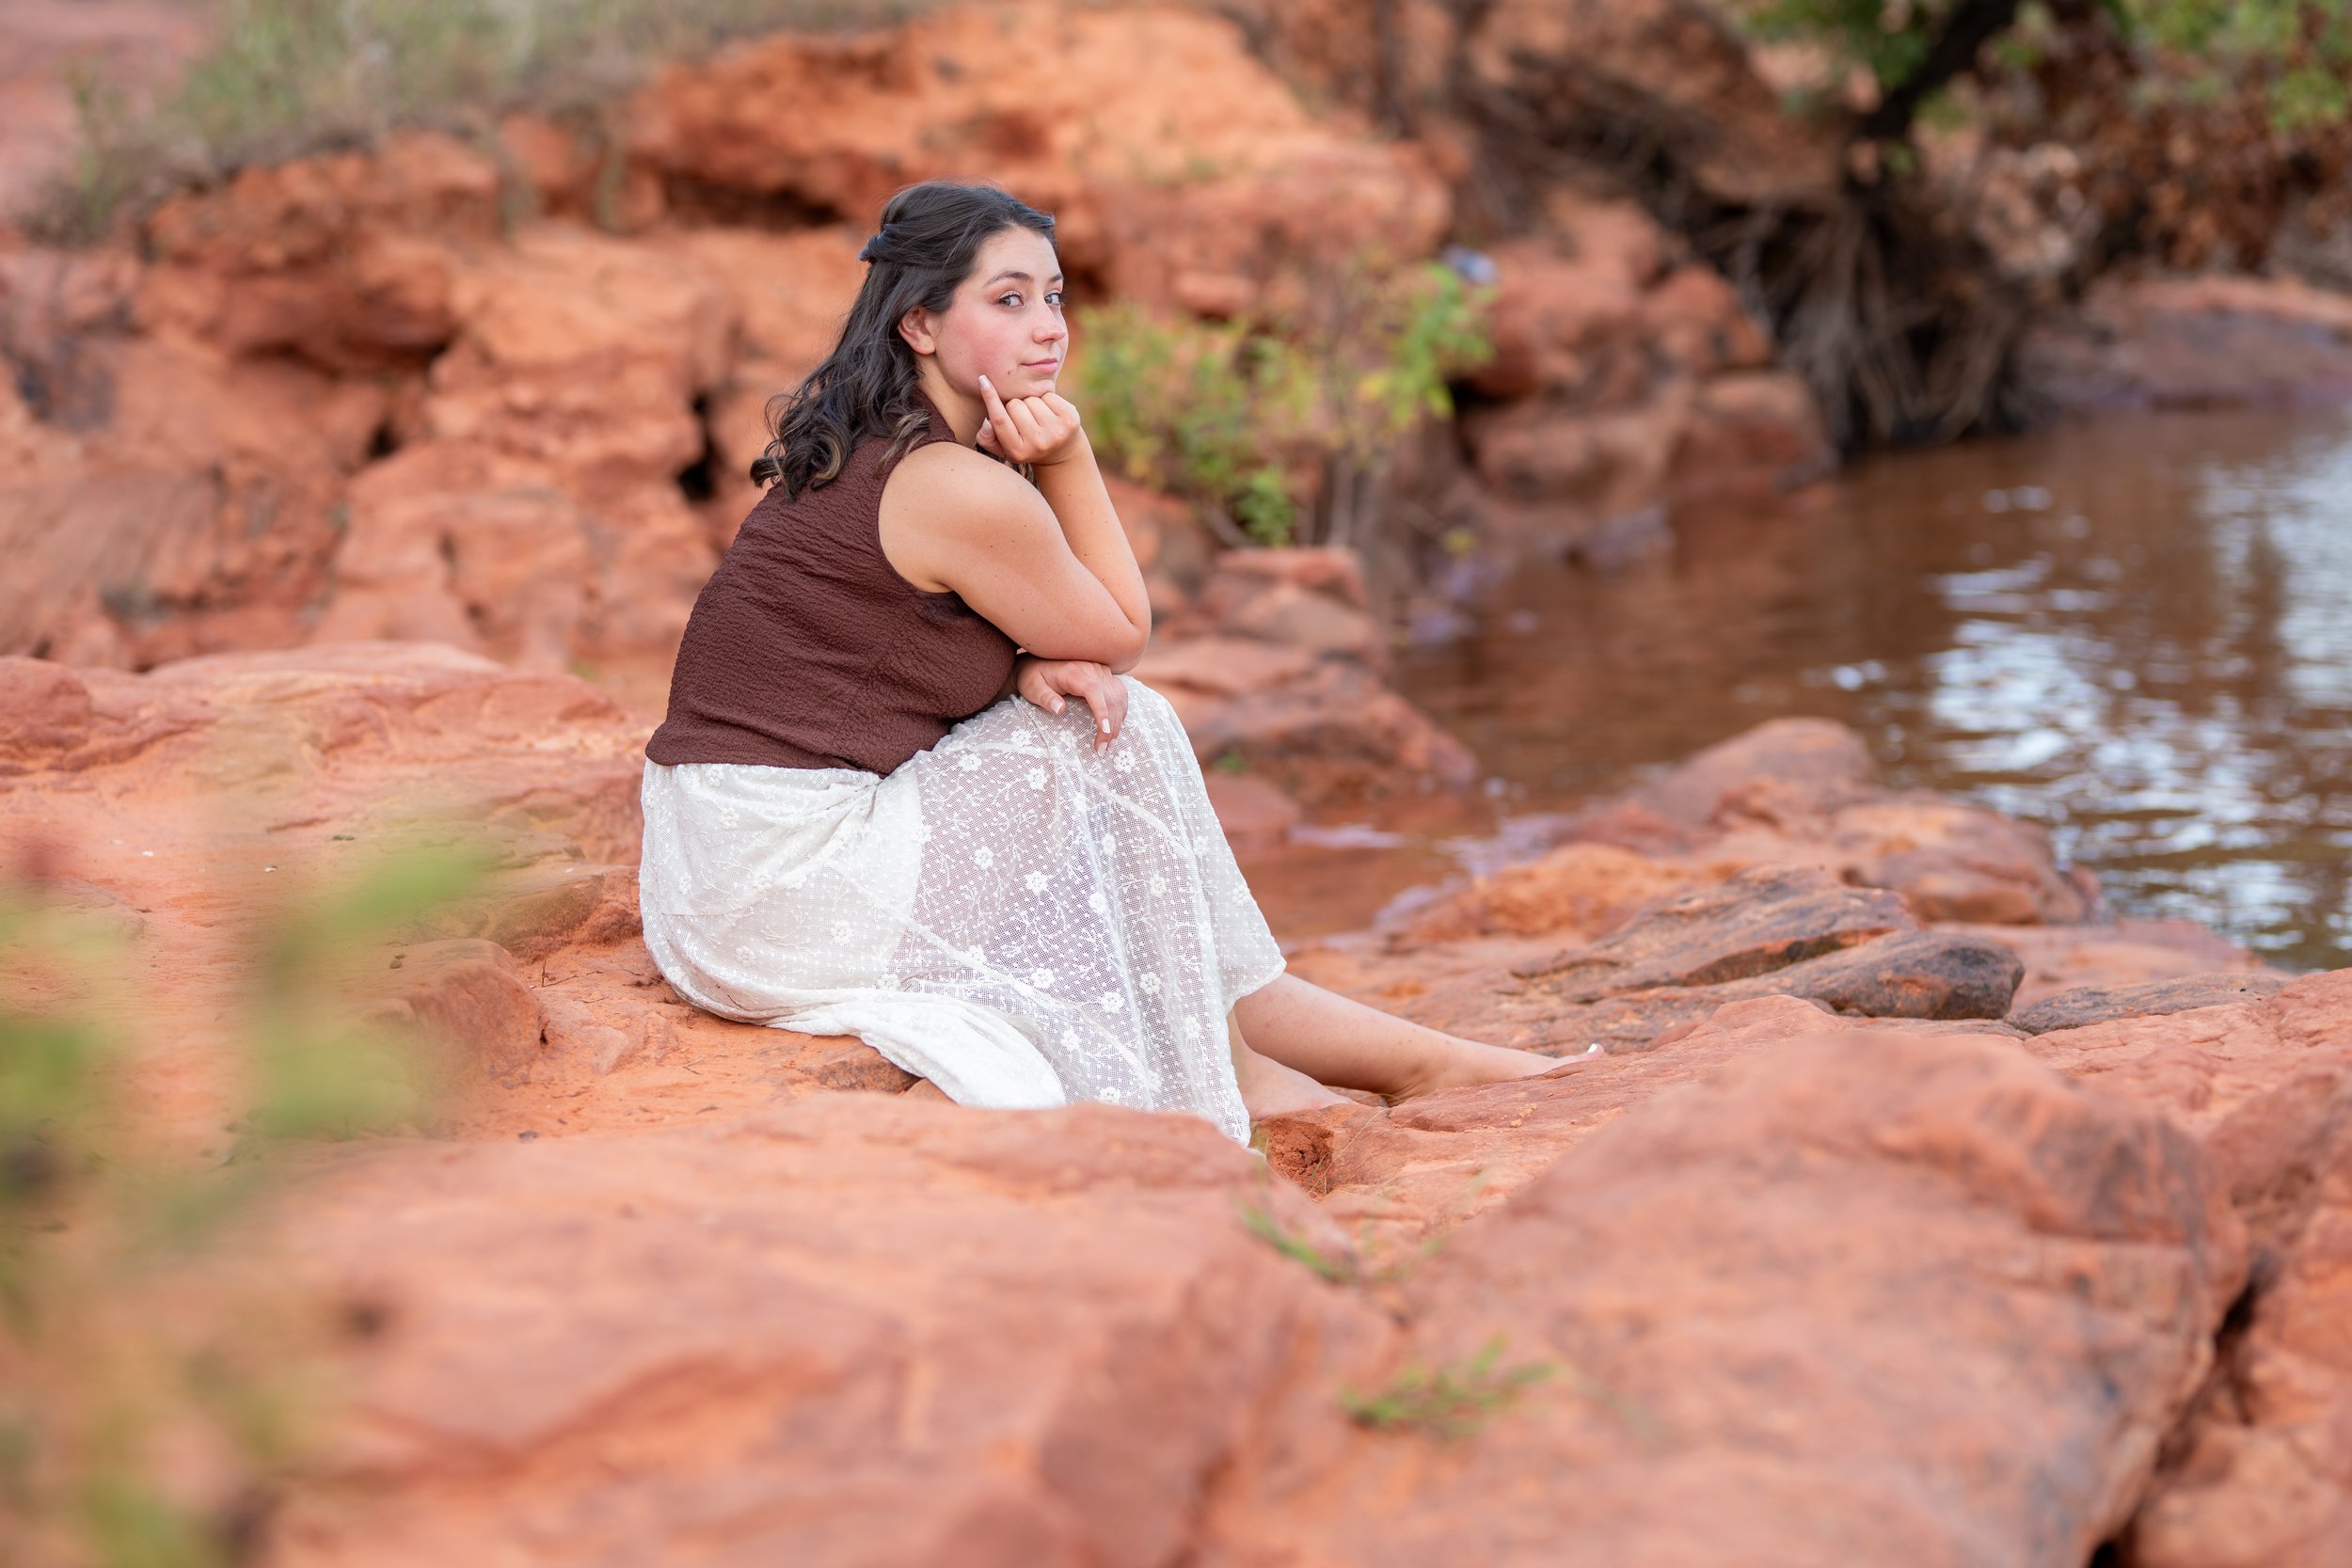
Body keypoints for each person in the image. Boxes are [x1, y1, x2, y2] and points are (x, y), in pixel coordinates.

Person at [637, 180, 1552, 1144]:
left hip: (717, 868)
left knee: (1077, 708)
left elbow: (859, 648)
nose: (1049, 327)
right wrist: (1068, 458)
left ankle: (1308, 1052)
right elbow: (1120, 629)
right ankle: (1272, 1061)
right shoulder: (948, 481)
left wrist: (1012, 671)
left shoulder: (875, 449)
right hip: (780, 887)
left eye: (1057, 295)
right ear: (919, 324)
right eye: (1008, 299)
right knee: (1122, 719)